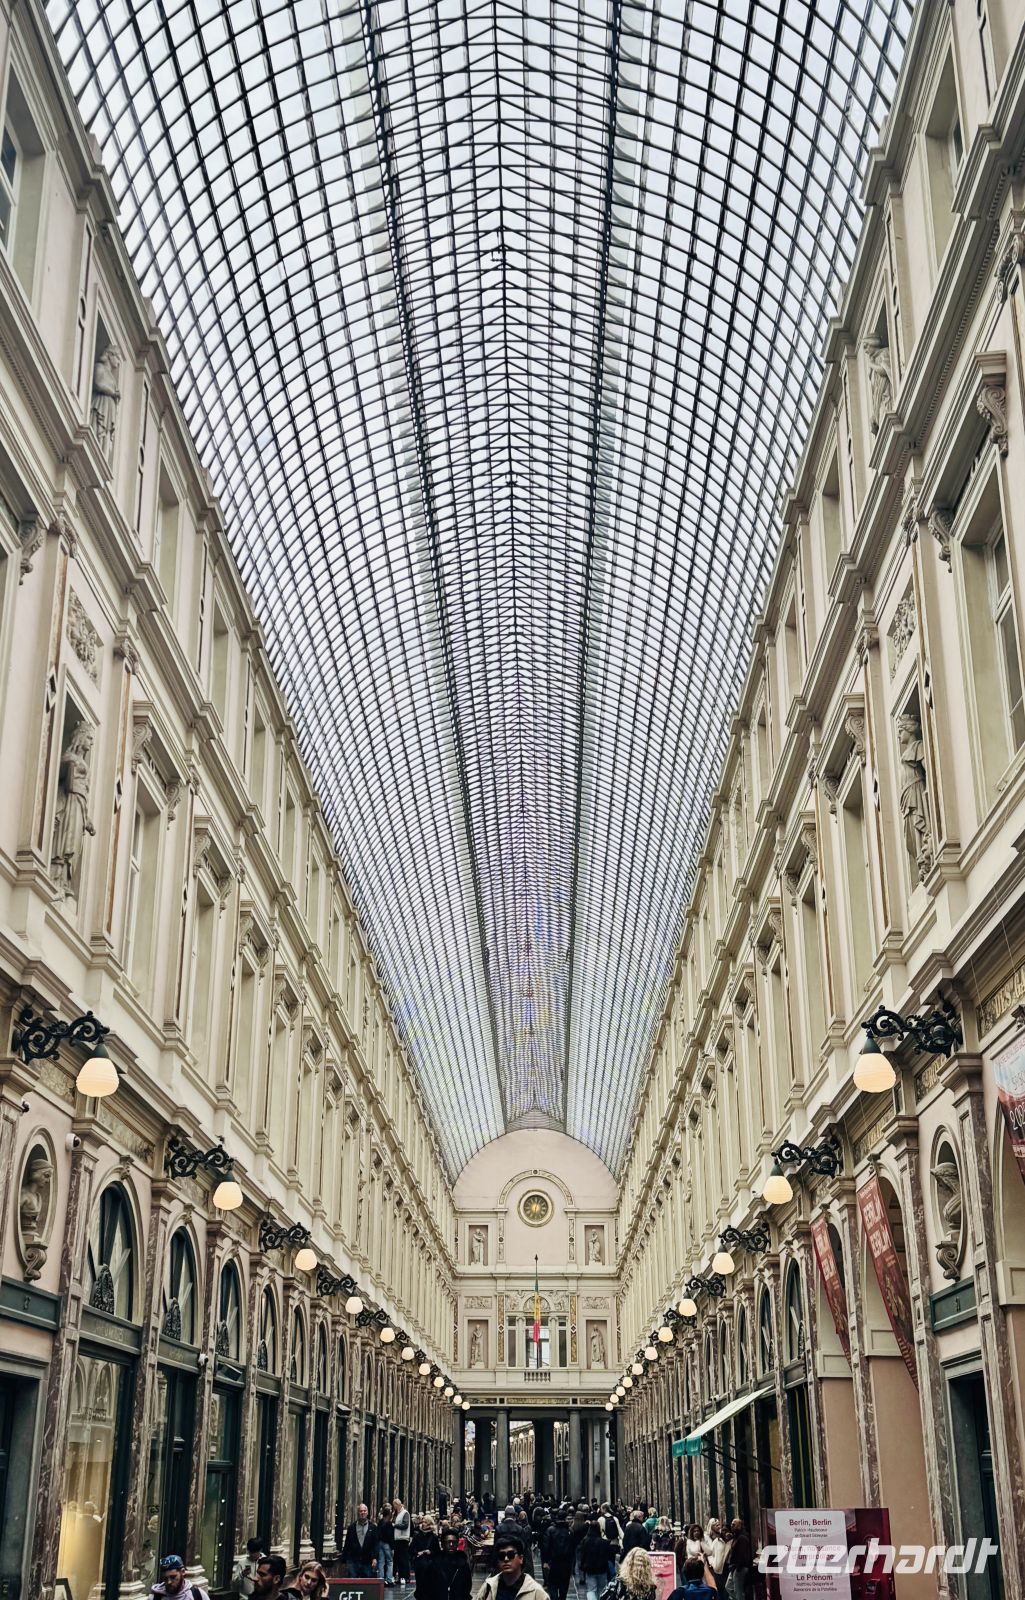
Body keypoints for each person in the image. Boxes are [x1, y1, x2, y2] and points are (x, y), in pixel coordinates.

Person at [477, 1534, 549, 1600]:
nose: (506, 1559)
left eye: (510, 1555)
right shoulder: (489, 1586)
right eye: (501, 1556)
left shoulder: (536, 1592)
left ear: (521, 1558)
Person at [417, 1529, 473, 1600]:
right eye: (448, 1542)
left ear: (457, 1544)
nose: (451, 1545)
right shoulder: (433, 1564)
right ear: (442, 1544)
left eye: (454, 1542)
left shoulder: (463, 1564)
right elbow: (424, 1587)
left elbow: (467, 1586)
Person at [541, 1510, 575, 1600]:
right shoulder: (570, 1531)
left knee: (552, 1585)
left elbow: (546, 1546)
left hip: (553, 1563)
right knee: (564, 1586)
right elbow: (572, 1547)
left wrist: (545, 1561)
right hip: (566, 1563)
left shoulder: (550, 1530)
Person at [342, 1504, 381, 1577]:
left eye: (364, 1511)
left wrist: (375, 1558)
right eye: (361, 1511)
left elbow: (375, 1544)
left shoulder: (373, 1527)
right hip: (354, 1560)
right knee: (353, 1581)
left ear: (367, 1512)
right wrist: (344, 1560)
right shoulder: (351, 1528)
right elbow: (347, 1544)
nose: (363, 1513)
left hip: (367, 1561)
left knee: (366, 1581)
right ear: (358, 1513)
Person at [577, 1522, 612, 1600]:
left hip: (590, 1569)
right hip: (602, 1569)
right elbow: (609, 1556)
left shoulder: (585, 1541)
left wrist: (582, 1567)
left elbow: (582, 1555)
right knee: (602, 1589)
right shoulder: (604, 1542)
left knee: (591, 1589)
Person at [722, 1522, 751, 1600]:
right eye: (731, 1524)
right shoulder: (736, 1537)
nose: (731, 1525)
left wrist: (738, 1568)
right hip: (734, 1567)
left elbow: (742, 1554)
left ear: (739, 1526)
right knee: (728, 1587)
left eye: (734, 1524)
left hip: (739, 1568)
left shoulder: (742, 1538)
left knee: (738, 1591)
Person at [395, 1496, 414, 1586]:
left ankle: (406, 1577)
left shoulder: (405, 1513)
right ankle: (401, 1577)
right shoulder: (398, 1513)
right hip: (398, 1539)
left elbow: (405, 1525)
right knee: (399, 1560)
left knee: (404, 1559)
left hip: (403, 1539)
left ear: (397, 1505)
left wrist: (395, 1525)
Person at [379, 1504, 397, 1586]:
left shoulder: (380, 1522)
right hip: (387, 1544)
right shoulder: (389, 1524)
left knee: (381, 1562)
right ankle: (389, 1579)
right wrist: (393, 1548)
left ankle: (381, 1579)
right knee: (390, 1562)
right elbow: (390, 1536)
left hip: (380, 1543)